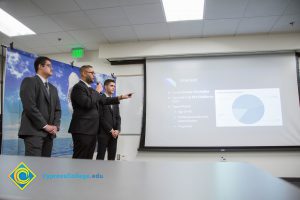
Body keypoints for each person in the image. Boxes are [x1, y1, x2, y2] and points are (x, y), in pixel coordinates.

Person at [68, 65, 131, 159]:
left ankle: (85, 174)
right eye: (92, 73)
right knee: (80, 158)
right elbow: (87, 103)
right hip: (82, 130)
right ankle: (77, 174)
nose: (94, 75)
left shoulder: (91, 90)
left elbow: (105, 100)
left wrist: (121, 97)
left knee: (88, 159)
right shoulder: (78, 87)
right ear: (84, 73)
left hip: (92, 131)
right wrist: (97, 92)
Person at [19, 56, 61, 157]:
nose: (52, 68)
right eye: (48, 65)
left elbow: (57, 110)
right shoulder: (29, 81)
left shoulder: (53, 88)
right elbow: (30, 107)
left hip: (50, 135)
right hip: (34, 133)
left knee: (45, 168)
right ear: (40, 66)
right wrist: (45, 126)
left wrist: (55, 126)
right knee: (33, 168)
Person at [97, 79, 121, 160]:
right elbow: (100, 117)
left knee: (112, 158)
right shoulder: (100, 98)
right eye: (111, 86)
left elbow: (118, 117)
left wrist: (117, 130)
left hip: (114, 135)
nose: (113, 88)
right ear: (105, 87)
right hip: (103, 134)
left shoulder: (114, 100)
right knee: (100, 158)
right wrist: (111, 130)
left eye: (114, 86)